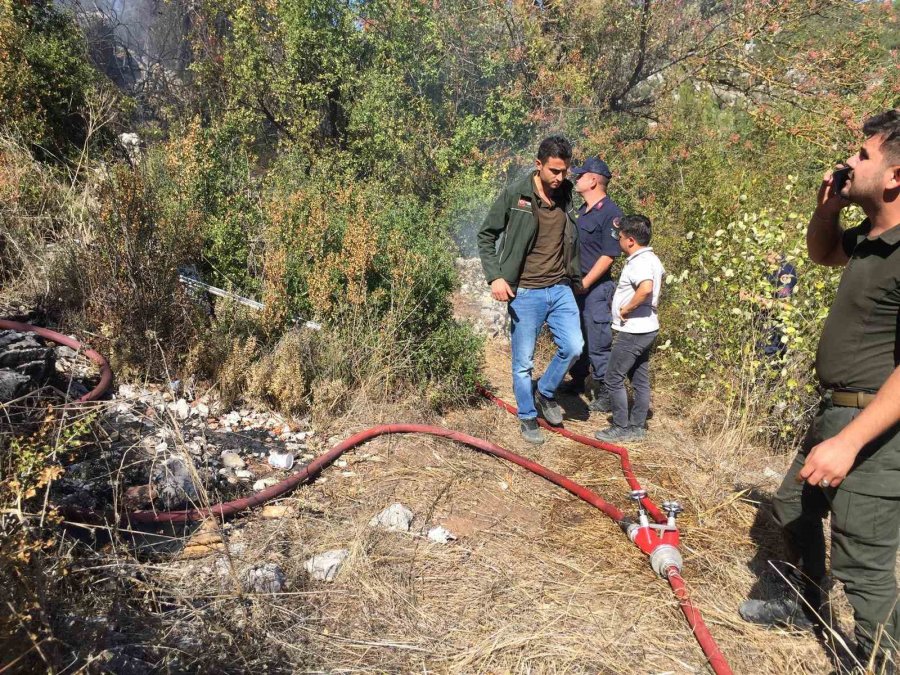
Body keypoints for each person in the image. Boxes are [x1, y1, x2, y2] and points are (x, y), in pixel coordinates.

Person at [739, 109, 900, 672]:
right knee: (793, 508)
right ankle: (803, 601)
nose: (850, 161)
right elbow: (821, 252)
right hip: (834, 413)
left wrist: (848, 444)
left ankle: (882, 660)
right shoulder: (872, 238)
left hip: (874, 435)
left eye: (863, 155)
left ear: (895, 175)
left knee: (866, 567)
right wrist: (827, 206)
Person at [477, 135, 583, 444]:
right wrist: (495, 276)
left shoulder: (566, 193)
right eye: (554, 171)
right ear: (538, 165)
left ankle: (546, 392)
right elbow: (486, 234)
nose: (560, 178)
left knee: (574, 347)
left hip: (560, 287)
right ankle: (527, 415)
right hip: (525, 293)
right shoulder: (516, 194)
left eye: (564, 171)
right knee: (523, 362)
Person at [594, 215, 663, 443]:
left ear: (631, 240)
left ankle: (621, 427)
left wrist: (626, 309)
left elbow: (645, 288)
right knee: (639, 379)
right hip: (647, 328)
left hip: (634, 330)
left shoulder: (640, 262)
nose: (619, 240)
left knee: (613, 377)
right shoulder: (652, 259)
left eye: (620, 237)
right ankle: (637, 427)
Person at [562, 157, 623, 410]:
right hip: (576, 288)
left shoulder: (611, 213)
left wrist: (585, 283)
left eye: (581, 175)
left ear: (594, 180)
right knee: (577, 338)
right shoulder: (580, 212)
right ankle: (577, 381)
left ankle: (606, 393)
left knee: (598, 343)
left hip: (595, 289)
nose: (577, 179)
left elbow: (608, 256)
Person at [739, 251, 798, 358]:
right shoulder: (762, 268)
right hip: (758, 329)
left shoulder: (785, 271)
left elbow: (786, 306)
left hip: (774, 333)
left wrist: (754, 297)